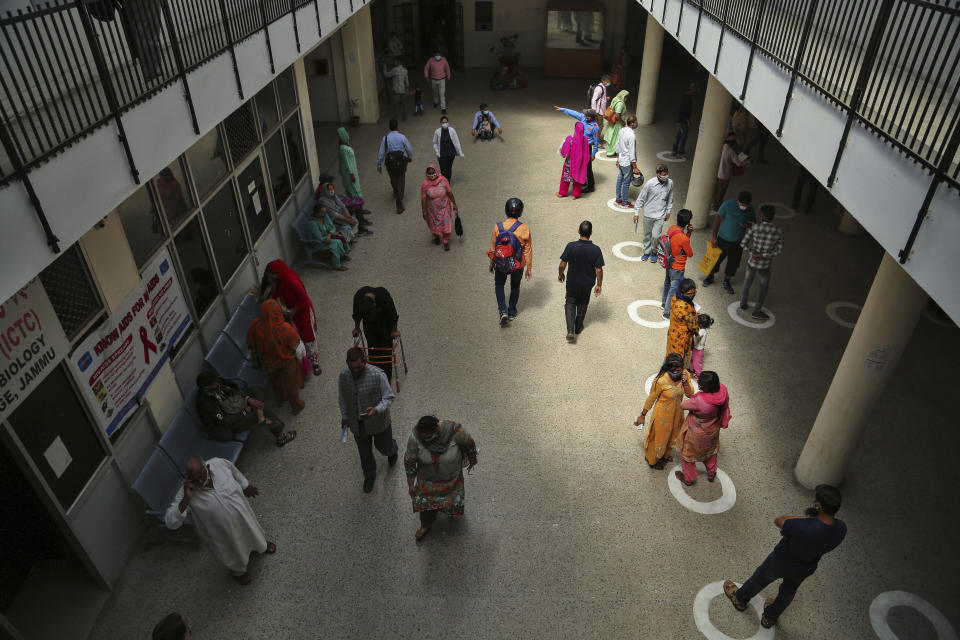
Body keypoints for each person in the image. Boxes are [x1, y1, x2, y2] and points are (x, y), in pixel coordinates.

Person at [724, 485, 847, 629]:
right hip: (806, 567)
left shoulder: (803, 527)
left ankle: (740, 599)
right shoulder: (841, 528)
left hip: (781, 561)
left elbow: (780, 520)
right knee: (788, 592)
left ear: (818, 506)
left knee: (761, 578)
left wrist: (806, 522)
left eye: (815, 500)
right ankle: (769, 618)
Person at [164, 456, 276, 585]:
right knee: (232, 550)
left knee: (252, 531)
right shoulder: (185, 494)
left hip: (242, 516)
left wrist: (245, 486)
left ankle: (262, 546)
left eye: (202, 475)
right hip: (221, 532)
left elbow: (234, 471)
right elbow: (171, 523)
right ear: (188, 478)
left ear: (207, 467)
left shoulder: (218, 464)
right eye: (195, 479)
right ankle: (239, 572)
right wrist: (186, 499)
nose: (200, 481)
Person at [404, 416, 478, 542]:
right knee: (426, 508)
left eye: (428, 437)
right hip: (427, 484)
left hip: (452, 481)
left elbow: (469, 443)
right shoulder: (415, 438)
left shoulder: (456, 431)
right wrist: (411, 484)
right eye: (424, 438)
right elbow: (409, 461)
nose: (426, 440)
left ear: (437, 429)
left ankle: (450, 513)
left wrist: (472, 458)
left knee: (452, 503)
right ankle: (426, 525)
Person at [338, 347, 398, 493]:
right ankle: (369, 476)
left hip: (378, 421)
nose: (356, 371)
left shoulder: (378, 375)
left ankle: (392, 450)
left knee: (384, 447)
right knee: (364, 452)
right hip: (357, 423)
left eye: (359, 367)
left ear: (365, 361)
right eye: (353, 368)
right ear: (347, 363)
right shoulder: (343, 376)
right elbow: (342, 398)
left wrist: (376, 409)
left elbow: (389, 397)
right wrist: (345, 417)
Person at [194, 372, 297, 447]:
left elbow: (233, 391)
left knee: (255, 391)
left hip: (233, 406)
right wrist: (244, 412)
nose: (217, 384)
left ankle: (261, 419)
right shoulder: (205, 404)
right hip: (228, 424)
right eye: (214, 384)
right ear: (206, 388)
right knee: (257, 413)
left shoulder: (217, 383)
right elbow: (225, 421)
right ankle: (280, 437)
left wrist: (249, 399)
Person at [260, 260, 322, 376]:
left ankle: (315, 361)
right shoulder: (279, 281)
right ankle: (305, 355)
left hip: (302, 310)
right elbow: (276, 295)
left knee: (308, 335)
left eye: (271, 277)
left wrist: (293, 310)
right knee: (299, 334)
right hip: (292, 311)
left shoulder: (292, 281)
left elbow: (303, 299)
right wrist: (273, 284)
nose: (271, 280)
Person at [634, 353, 693, 469]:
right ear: (668, 369)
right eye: (675, 371)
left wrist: (685, 382)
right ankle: (653, 460)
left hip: (677, 414)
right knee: (659, 438)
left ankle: (665, 456)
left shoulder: (685, 375)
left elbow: (690, 394)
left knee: (672, 436)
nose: (678, 373)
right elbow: (651, 398)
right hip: (662, 416)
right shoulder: (660, 381)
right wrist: (642, 415)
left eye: (679, 370)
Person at [248, 299, 305, 414]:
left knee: (275, 382)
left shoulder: (255, 325)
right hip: (286, 362)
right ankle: (296, 406)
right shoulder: (284, 329)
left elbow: (251, 342)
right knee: (291, 385)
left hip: (268, 363)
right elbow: (296, 345)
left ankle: (280, 399)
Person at [675, 370, 731, 485]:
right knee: (710, 452)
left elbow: (683, 405)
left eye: (701, 384)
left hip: (697, 433)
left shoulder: (699, 400)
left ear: (705, 387)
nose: (699, 386)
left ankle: (688, 479)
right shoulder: (722, 389)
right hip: (713, 429)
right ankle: (711, 473)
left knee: (688, 455)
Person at [488, 197, 533, 325]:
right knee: (515, 286)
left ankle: (503, 310)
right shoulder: (524, 228)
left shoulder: (498, 227)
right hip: (518, 264)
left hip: (501, 263)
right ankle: (512, 311)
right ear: (520, 212)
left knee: (499, 285)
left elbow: (492, 248)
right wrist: (529, 267)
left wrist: (492, 263)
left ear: (506, 211)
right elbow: (528, 250)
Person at [558, 220, 604, 342]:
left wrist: (561, 274)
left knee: (570, 303)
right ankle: (578, 326)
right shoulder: (596, 250)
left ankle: (570, 331)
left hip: (572, 283)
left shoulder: (571, 246)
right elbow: (598, 270)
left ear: (579, 231)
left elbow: (563, 263)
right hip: (587, 284)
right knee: (583, 303)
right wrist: (599, 284)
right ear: (591, 233)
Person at [704, 191, 757, 294]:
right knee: (715, 259)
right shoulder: (727, 205)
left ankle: (727, 280)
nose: (743, 206)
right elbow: (717, 220)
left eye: (745, 205)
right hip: (723, 239)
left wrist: (747, 225)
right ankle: (710, 276)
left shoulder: (751, 208)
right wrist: (714, 237)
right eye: (741, 204)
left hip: (739, 241)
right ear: (737, 201)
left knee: (734, 263)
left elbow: (754, 223)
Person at [739, 204, 784, 321]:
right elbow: (779, 250)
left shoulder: (755, 228)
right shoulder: (778, 231)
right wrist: (763, 255)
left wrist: (752, 253)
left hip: (752, 262)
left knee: (747, 283)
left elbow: (743, 243)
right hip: (765, 265)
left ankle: (743, 304)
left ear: (763, 215)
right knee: (763, 288)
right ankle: (757, 311)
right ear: (773, 216)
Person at [352, 286, 400, 381]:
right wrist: (357, 328)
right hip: (368, 325)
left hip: (384, 322)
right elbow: (357, 315)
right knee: (372, 348)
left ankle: (386, 378)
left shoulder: (383, 295)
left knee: (386, 349)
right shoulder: (358, 296)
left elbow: (393, 314)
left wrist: (394, 330)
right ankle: (374, 373)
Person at [633, 164, 675, 262]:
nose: (666, 176)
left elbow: (670, 198)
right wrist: (636, 213)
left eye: (667, 173)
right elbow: (641, 199)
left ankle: (654, 251)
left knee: (656, 236)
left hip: (660, 215)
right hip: (648, 214)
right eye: (664, 174)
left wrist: (668, 211)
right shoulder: (650, 184)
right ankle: (647, 252)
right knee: (647, 235)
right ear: (658, 175)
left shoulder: (670, 183)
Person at [554, 105, 600, 192]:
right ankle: (582, 181)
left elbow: (596, 142)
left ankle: (591, 186)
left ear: (593, 117)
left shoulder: (595, 127)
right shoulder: (583, 117)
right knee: (579, 164)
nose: (586, 117)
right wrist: (563, 109)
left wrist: (593, 154)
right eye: (585, 115)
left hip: (587, 148)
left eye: (588, 116)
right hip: (579, 146)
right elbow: (574, 113)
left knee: (587, 167)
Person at [661, 209, 694, 318]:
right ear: (687, 223)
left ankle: (663, 303)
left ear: (677, 219)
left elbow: (679, 245)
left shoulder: (672, 229)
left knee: (667, 282)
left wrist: (687, 234)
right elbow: (689, 253)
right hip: (678, 267)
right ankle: (666, 312)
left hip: (669, 262)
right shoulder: (684, 239)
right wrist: (689, 234)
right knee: (673, 289)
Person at [377, 119, 413, 214]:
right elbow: (409, 148)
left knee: (393, 180)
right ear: (397, 126)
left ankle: (396, 192)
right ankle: (399, 200)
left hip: (390, 164)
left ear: (389, 127)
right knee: (401, 180)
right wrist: (410, 157)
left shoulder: (385, 138)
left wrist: (379, 164)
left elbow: (381, 152)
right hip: (401, 163)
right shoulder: (402, 137)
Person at [420, 164, 459, 251]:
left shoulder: (443, 180)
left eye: (433, 173)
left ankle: (446, 241)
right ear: (427, 174)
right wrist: (424, 211)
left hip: (445, 208)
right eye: (429, 174)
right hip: (432, 210)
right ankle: (436, 236)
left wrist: (454, 204)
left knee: (446, 224)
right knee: (434, 225)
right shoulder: (425, 184)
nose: (432, 176)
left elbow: (449, 192)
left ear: (436, 172)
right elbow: (423, 198)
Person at [666, 278, 700, 369]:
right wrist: (698, 330)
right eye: (689, 294)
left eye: (693, 293)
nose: (692, 296)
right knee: (678, 361)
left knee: (671, 356)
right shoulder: (683, 307)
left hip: (673, 335)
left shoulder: (675, 298)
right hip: (681, 339)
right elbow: (692, 326)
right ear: (682, 293)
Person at [306, 204, 350, 270]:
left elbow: (332, 227)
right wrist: (330, 235)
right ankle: (336, 265)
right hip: (318, 242)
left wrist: (330, 234)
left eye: (324, 211)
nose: (324, 213)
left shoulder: (325, 216)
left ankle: (343, 254)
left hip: (327, 236)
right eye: (322, 212)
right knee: (336, 243)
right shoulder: (313, 224)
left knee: (340, 235)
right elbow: (319, 238)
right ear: (316, 213)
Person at [713, 133, 748, 210]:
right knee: (721, 191)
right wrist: (747, 162)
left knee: (717, 189)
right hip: (725, 175)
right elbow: (738, 163)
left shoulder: (722, 147)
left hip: (718, 172)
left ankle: (714, 203)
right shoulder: (730, 151)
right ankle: (716, 206)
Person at [557, 122, 590, 199]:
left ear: (575, 129)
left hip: (570, 163)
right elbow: (587, 154)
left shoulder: (570, 139)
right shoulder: (585, 140)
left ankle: (562, 193)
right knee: (577, 178)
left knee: (565, 178)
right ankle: (575, 195)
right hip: (580, 163)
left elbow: (565, 152)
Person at [615, 115, 639, 207]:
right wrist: (635, 167)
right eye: (636, 121)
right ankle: (625, 202)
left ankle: (618, 198)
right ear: (633, 123)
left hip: (621, 160)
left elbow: (618, 145)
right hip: (627, 163)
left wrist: (617, 159)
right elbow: (632, 153)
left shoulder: (622, 130)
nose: (637, 123)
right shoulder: (632, 136)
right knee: (626, 183)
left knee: (619, 180)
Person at [432, 115, 464, 183]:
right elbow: (434, 143)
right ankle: (444, 181)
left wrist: (460, 151)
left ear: (448, 123)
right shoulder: (437, 132)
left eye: (446, 122)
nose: (445, 124)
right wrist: (437, 151)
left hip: (451, 153)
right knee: (443, 169)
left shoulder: (452, 130)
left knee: (448, 169)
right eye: (443, 122)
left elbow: (456, 141)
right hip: (442, 154)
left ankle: (447, 182)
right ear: (441, 123)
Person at [337, 127, 364, 202]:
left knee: (350, 191)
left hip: (352, 171)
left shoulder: (345, 145)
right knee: (355, 190)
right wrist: (351, 174)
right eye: (346, 133)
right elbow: (347, 162)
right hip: (349, 173)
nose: (348, 134)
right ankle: (361, 208)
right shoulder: (343, 148)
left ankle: (352, 206)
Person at [672, 83, 700, 158]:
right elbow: (685, 111)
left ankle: (674, 150)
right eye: (694, 90)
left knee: (678, 135)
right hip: (683, 121)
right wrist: (688, 121)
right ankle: (680, 152)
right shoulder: (688, 98)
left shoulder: (684, 96)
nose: (695, 92)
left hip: (679, 119)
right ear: (692, 90)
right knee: (683, 137)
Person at [602, 90, 629, 157]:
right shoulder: (620, 103)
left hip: (611, 121)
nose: (626, 97)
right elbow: (617, 115)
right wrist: (622, 122)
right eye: (626, 96)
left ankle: (610, 150)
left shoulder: (615, 98)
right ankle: (611, 152)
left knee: (611, 136)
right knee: (615, 138)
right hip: (617, 123)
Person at [382, 57, 410, 121]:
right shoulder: (405, 70)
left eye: (395, 61)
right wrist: (407, 88)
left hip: (396, 91)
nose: (394, 62)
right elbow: (407, 81)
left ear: (398, 62)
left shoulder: (395, 70)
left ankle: (395, 118)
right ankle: (404, 117)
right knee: (404, 104)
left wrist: (384, 67)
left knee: (396, 105)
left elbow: (386, 75)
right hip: (403, 90)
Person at [690, 313, 713, 377]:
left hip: (698, 350)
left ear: (700, 324)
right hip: (696, 348)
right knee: (693, 359)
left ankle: (698, 374)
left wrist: (693, 330)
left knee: (697, 362)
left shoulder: (702, 331)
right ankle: (692, 370)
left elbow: (698, 335)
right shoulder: (702, 329)